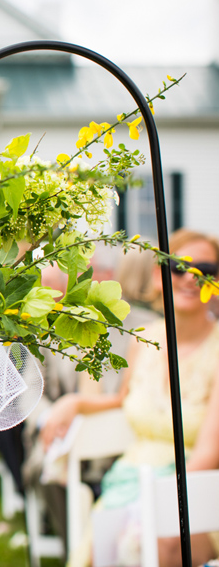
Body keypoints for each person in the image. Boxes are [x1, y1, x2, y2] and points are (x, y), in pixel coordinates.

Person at [46, 229, 219, 567]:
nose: (191, 278)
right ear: (158, 275)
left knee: (161, 540)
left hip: (197, 492)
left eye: (206, 270)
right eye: (179, 267)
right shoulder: (145, 339)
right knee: (106, 544)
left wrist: (156, 501)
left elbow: (209, 453)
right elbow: (122, 400)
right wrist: (74, 403)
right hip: (130, 481)